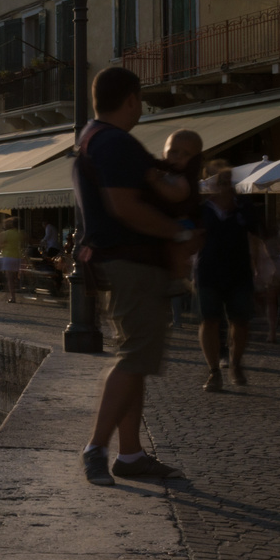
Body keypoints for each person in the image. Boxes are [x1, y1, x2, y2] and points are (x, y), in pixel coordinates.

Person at [74, 66, 193, 486]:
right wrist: (177, 232)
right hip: (133, 264)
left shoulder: (91, 139)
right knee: (133, 357)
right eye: (140, 100)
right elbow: (124, 206)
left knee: (137, 358)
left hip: (122, 262)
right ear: (130, 99)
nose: (141, 108)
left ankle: (131, 454)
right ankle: (96, 449)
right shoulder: (115, 143)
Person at [195, 160, 254, 391]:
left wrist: (264, 265)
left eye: (227, 181)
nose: (224, 185)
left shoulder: (244, 206)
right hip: (208, 271)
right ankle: (213, 371)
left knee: (240, 321)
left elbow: (256, 234)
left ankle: (236, 363)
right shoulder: (202, 209)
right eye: (218, 181)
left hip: (239, 271)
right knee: (209, 320)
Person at [0, 217, 26, 303]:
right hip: (17, 256)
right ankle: (14, 292)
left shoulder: (6, 233)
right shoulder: (19, 233)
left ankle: (12, 297)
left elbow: (1, 244)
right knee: (15, 277)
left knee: (9, 278)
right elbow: (23, 243)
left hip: (8, 256)